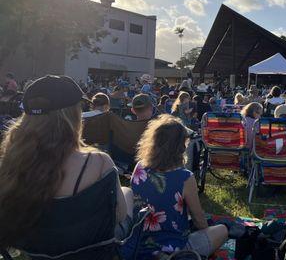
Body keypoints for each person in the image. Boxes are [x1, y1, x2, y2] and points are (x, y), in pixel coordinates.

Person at [0, 75, 133, 249]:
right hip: (89, 249)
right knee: (127, 193)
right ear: (72, 116)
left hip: (36, 248)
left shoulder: (11, 162)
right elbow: (120, 216)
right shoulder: (99, 162)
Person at [130, 115, 228, 257]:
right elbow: (199, 220)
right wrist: (205, 231)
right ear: (181, 146)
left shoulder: (139, 167)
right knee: (222, 230)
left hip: (139, 244)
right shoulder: (184, 177)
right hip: (175, 247)